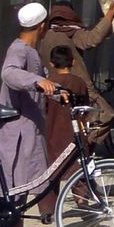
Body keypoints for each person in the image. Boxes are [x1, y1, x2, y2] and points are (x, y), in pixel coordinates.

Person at [0, 2, 61, 227]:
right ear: (42, 27)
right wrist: (38, 80)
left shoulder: (30, 51)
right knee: (16, 184)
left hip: (27, 128)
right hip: (17, 131)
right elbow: (9, 73)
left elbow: (40, 86)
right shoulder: (19, 49)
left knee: (18, 185)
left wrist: (59, 92)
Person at [39, 0, 114, 130]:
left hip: (52, 88)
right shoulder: (71, 33)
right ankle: (84, 145)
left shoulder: (45, 36)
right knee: (106, 115)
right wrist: (110, 15)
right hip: (77, 87)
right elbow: (93, 39)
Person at [41, 45, 90, 184]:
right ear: (73, 62)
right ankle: (81, 198)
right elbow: (85, 106)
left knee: (52, 170)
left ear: (51, 63)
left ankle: (51, 201)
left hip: (52, 132)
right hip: (75, 131)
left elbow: (43, 108)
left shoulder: (48, 84)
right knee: (79, 165)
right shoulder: (79, 82)